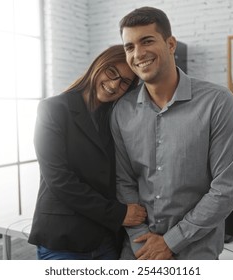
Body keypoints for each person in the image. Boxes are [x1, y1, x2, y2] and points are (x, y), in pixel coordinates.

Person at [110, 7, 233, 260]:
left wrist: (171, 242)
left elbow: (227, 188)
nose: (138, 54)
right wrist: (143, 243)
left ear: (170, 44)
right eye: (130, 47)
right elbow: (125, 183)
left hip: (195, 253)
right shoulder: (122, 111)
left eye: (147, 41)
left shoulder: (217, 103)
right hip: (139, 252)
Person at [28, 44, 146, 260]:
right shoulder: (53, 109)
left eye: (124, 82)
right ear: (97, 66)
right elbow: (59, 180)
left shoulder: (114, 118)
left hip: (105, 238)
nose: (113, 84)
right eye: (111, 72)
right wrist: (119, 213)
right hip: (64, 237)